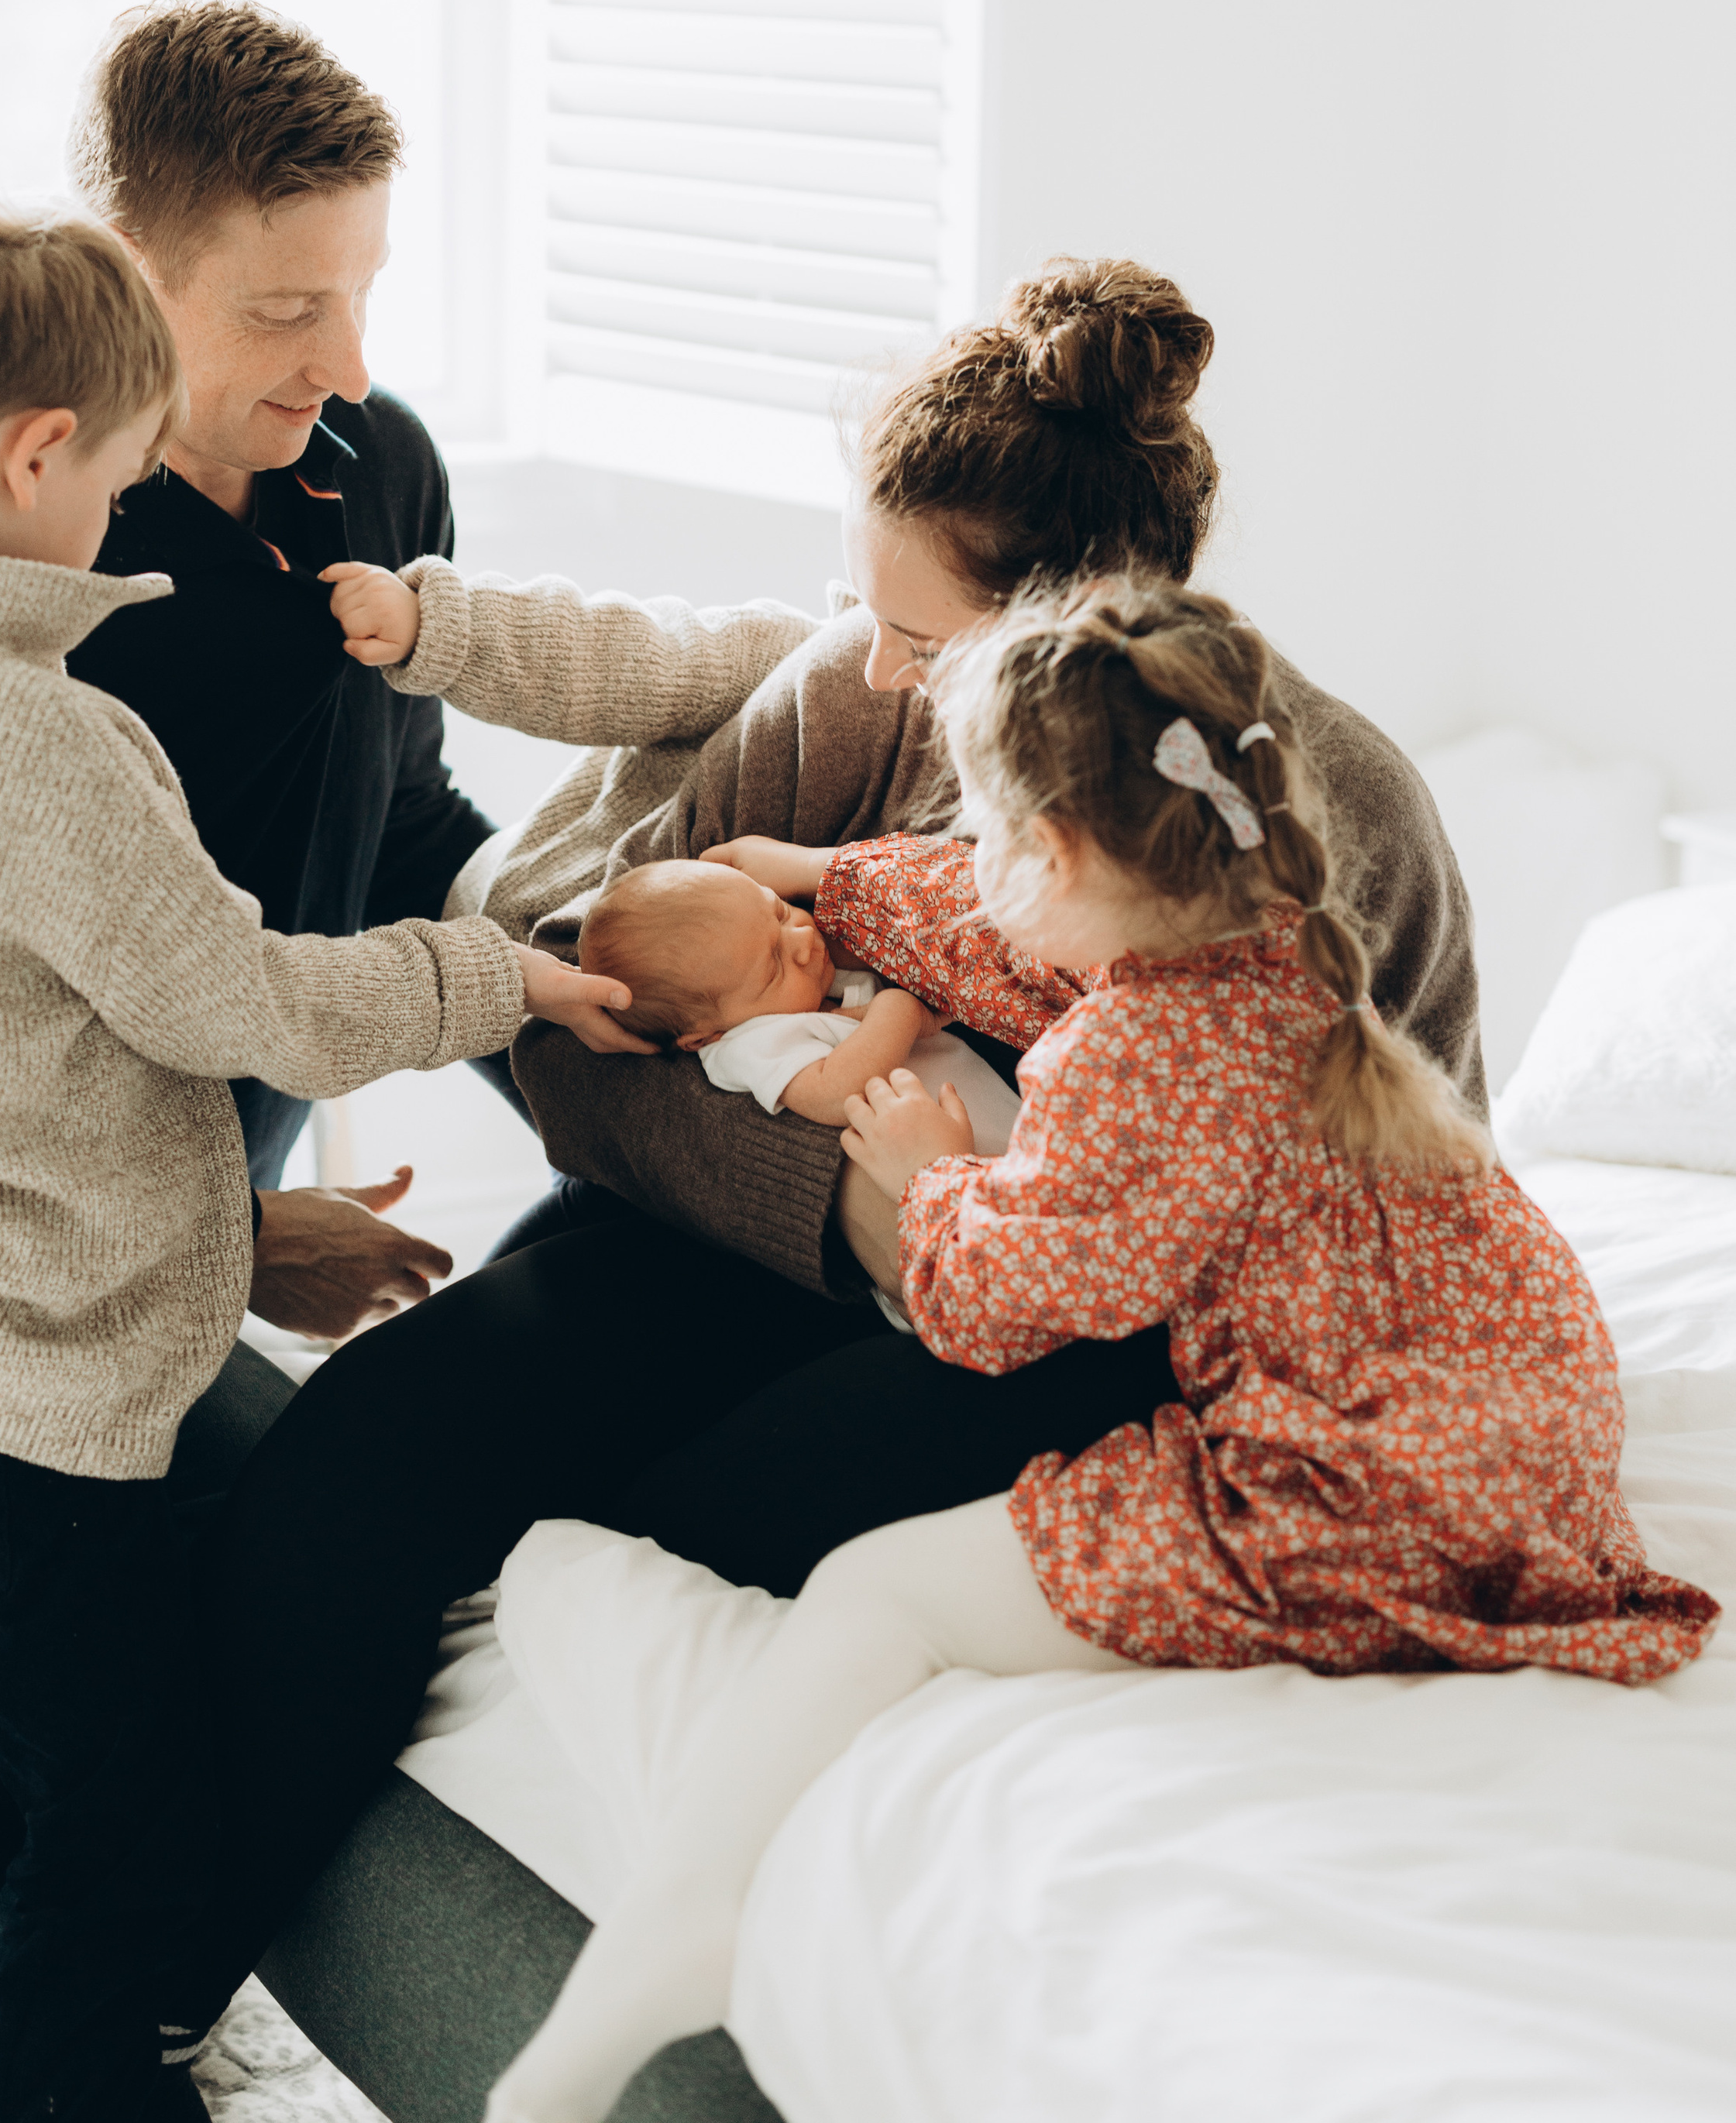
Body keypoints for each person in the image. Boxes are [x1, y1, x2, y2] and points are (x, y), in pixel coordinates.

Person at [193, 258, 1493, 1997]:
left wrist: (986, 1238)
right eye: (858, 611)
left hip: (1091, 1334)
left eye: (923, 642)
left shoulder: (1327, 814)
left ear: (1068, 643)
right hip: (751, 1244)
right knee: (367, 1453)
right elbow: (579, 1019)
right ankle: (140, 1995)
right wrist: (850, 1212)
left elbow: (1401, 1235)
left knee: (674, 1529)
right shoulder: (843, 702)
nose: (874, 670)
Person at [484, 581, 1715, 2123]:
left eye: (993, 834)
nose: (972, 863)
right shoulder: (1260, 936)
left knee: (877, 1591)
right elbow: (983, 930)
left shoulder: (1140, 1058)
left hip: (1379, 1490)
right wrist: (827, 884)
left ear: (1062, 860)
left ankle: (687, 1927)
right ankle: (683, 1929)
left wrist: (930, 1167)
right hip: (1521, 1409)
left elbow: (1005, 1302)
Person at [0, 193, 632, 2119]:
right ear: (37, 453)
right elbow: (252, 1005)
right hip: (32, 1397)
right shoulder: (33, 742)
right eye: (119, 476)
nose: (119, 529)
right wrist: (501, 979)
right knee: (123, 1826)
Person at [576, 856, 1017, 1149]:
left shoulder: (794, 990)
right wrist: (898, 1011)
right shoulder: (744, 1045)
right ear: (705, 1035)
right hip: (966, 1189)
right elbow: (832, 1094)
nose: (804, 940)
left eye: (780, 911)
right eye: (773, 967)